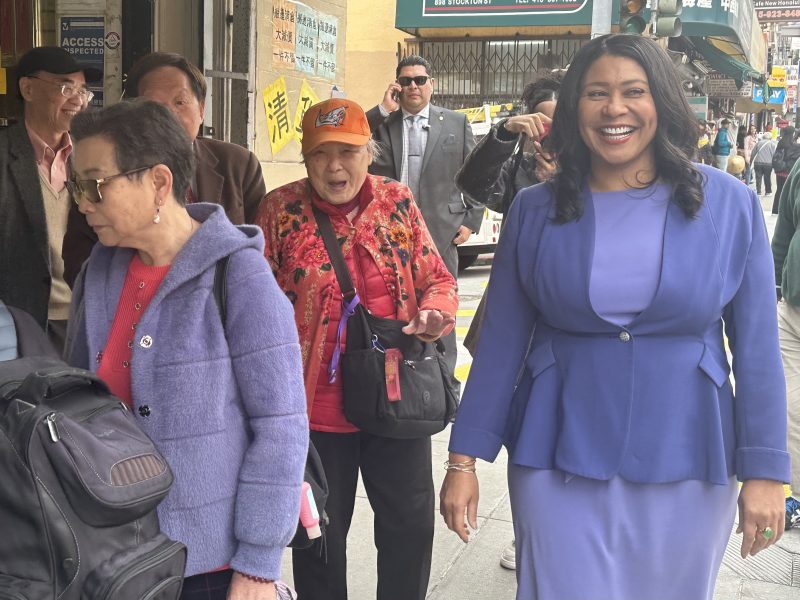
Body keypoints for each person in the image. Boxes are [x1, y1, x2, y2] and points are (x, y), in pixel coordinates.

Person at [440, 33, 788, 600]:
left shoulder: (731, 204)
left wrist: (767, 470)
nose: (615, 109)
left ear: (664, 105)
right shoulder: (535, 209)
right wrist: (462, 461)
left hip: (690, 452)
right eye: (596, 93)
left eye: (634, 91)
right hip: (557, 447)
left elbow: (755, 351)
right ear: (575, 106)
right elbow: (502, 343)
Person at [64, 99, 308, 600]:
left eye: (95, 185)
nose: (83, 203)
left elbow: (282, 426)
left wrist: (259, 565)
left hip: (211, 565)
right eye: (75, 187)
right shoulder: (100, 273)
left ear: (158, 181)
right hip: (112, 554)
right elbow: (74, 404)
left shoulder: (238, 275)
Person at [255, 98, 458, 600]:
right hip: (317, 411)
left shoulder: (397, 201)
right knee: (319, 537)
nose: (334, 165)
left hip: (397, 396)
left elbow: (438, 278)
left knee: (409, 528)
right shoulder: (279, 211)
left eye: (346, 151)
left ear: (369, 151)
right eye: (320, 153)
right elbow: (253, 305)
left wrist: (435, 313)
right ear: (305, 159)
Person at [454, 74, 561, 571]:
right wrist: (504, 134)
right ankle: (529, 531)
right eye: (541, 121)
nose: (549, 134)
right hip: (516, 320)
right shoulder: (521, 168)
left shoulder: (601, 168)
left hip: (571, 330)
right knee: (523, 428)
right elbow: (473, 186)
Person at [62, 51, 267, 287]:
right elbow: (78, 261)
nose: (170, 116)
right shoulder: (100, 174)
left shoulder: (239, 164)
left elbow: (261, 249)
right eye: (155, 107)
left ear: (201, 109)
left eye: (180, 102)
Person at [365, 55, 480, 391]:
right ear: (396, 86)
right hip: (387, 235)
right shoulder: (383, 124)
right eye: (406, 81)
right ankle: (399, 381)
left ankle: (445, 389)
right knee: (390, 310)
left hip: (440, 233)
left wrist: (471, 219)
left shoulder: (455, 123)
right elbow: (354, 141)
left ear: (432, 84)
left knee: (441, 312)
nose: (412, 86)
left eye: (419, 80)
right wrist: (382, 111)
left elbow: (477, 174)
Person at [0, 47, 100, 352]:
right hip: (19, 323)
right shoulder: (5, 153)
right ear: (27, 88)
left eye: (83, 91)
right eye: (65, 87)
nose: (78, 100)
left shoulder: (91, 156)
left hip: (86, 316)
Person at [771, 156, 800, 531]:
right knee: (788, 405)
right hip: (791, 309)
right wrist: (773, 289)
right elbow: (785, 232)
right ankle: (793, 492)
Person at [772, 126, 800, 214]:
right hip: (788, 172)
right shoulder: (795, 146)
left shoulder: (781, 142)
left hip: (779, 171)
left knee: (779, 190)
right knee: (788, 191)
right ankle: (784, 211)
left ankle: (775, 209)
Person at [752, 131, 777, 196]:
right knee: (767, 177)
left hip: (758, 163)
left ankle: (758, 192)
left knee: (758, 177)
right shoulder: (772, 144)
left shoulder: (758, 143)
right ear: (770, 138)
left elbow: (753, 153)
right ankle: (768, 192)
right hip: (768, 164)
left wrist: (751, 161)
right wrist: (774, 164)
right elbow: (774, 155)